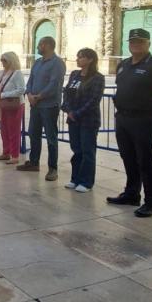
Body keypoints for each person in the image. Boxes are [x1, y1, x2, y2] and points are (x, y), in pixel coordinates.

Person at [106, 28, 152, 217]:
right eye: (132, 41)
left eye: (140, 41)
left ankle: (151, 201)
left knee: (146, 161)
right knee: (128, 157)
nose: (135, 44)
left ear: (148, 43)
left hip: (144, 119)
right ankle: (131, 193)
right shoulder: (124, 64)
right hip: (123, 118)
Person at [20, 36, 67, 181]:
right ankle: (34, 162)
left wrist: (39, 96)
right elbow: (31, 80)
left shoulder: (57, 63)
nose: (38, 47)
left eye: (40, 44)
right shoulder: (38, 62)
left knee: (51, 138)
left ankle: (53, 168)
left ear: (47, 45)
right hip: (35, 105)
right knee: (33, 134)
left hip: (49, 106)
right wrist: (28, 94)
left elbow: (54, 84)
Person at [62, 48, 105, 193]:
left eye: (81, 57)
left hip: (88, 120)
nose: (78, 59)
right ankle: (75, 178)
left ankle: (86, 182)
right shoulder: (74, 74)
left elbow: (94, 100)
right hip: (73, 118)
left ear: (90, 59)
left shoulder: (98, 78)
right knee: (77, 150)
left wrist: (77, 113)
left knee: (88, 151)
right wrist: (69, 110)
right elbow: (66, 92)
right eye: (78, 56)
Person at [0, 51, 26, 164]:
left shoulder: (17, 73)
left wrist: (3, 95)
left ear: (11, 61)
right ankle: (6, 152)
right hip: (3, 105)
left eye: (5, 60)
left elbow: (21, 89)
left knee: (13, 130)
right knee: (4, 130)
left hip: (14, 105)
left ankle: (15, 155)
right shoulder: (0, 73)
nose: (2, 63)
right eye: (1, 60)